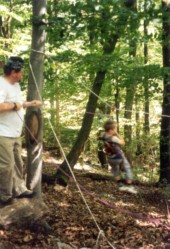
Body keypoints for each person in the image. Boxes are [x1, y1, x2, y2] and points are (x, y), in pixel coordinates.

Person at [0, 56, 42, 206]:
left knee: (18, 163)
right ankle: (4, 196)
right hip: (2, 134)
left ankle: (19, 189)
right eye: (21, 72)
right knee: (6, 166)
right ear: (13, 72)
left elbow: (17, 104)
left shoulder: (16, 86)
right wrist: (16, 105)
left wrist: (29, 104)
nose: (22, 74)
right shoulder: (1, 84)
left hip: (15, 133)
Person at [98, 120, 138, 194]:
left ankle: (120, 185)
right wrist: (117, 134)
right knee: (127, 168)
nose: (116, 130)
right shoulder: (113, 138)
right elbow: (123, 143)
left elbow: (100, 137)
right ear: (110, 130)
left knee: (115, 170)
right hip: (118, 157)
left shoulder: (103, 134)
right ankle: (129, 186)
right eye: (115, 128)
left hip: (110, 157)